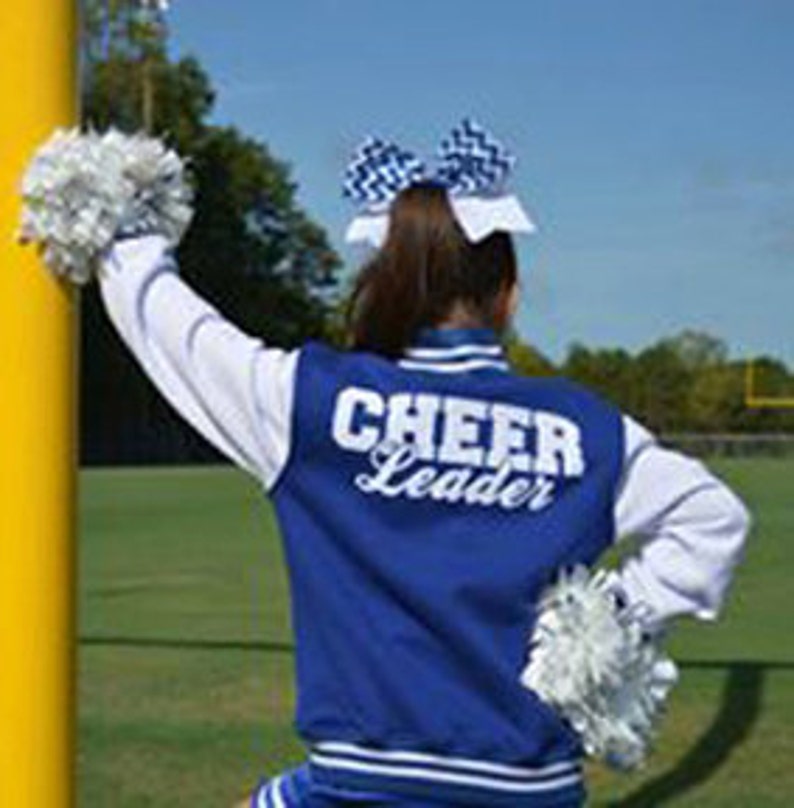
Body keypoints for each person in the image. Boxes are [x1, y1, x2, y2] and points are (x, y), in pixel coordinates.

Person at [96, 125, 750, 808]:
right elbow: (714, 520)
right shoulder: (587, 427)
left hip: (360, 785)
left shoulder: (309, 400)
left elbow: (169, 326)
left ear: (387, 281)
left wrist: (121, 225)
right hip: (531, 788)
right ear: (511, 295)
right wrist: (605, 625)